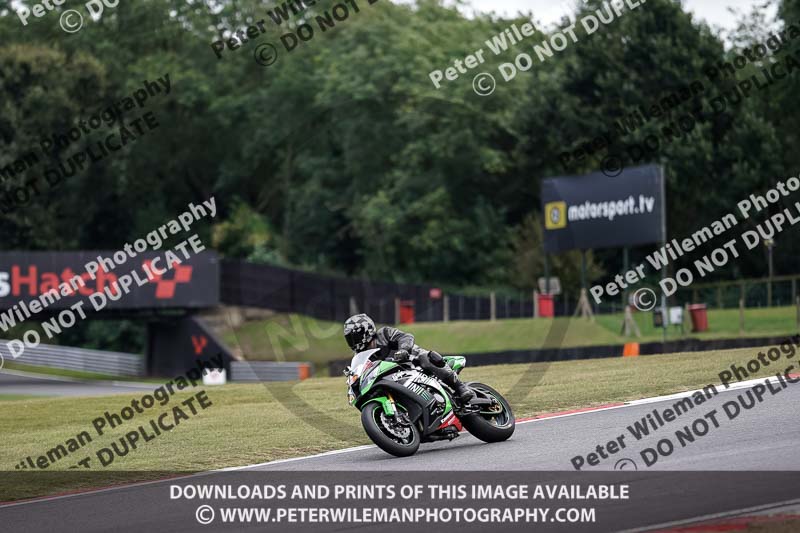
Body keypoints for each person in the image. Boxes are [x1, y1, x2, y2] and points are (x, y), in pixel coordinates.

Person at [343, 313, 475, 402]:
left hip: (412, 362)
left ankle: (460, 387)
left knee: (426, 358)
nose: (353, 341)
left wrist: (403, 350)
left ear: (366, 331)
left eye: (355, 337)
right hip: (394, 378)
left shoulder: (384, 334)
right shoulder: (361, 357)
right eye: (350, 339)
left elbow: (406, 337)